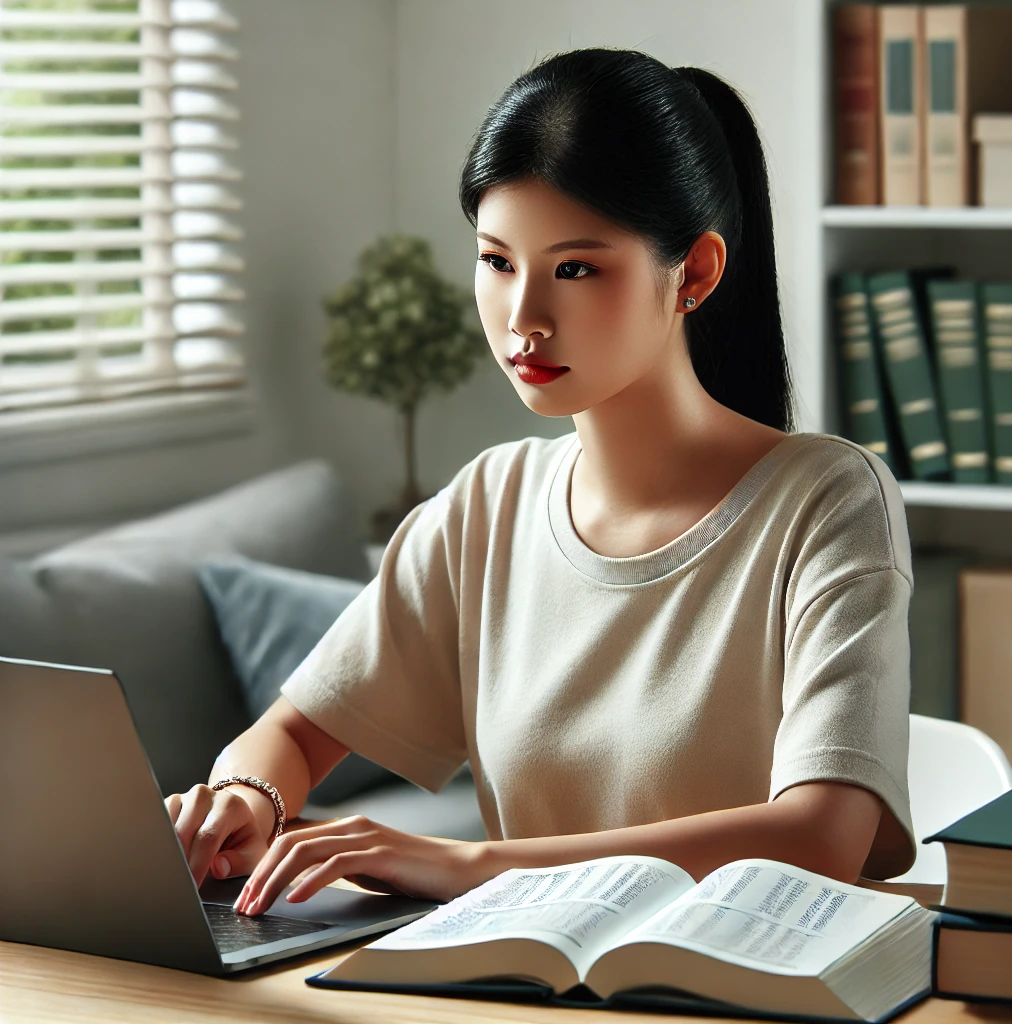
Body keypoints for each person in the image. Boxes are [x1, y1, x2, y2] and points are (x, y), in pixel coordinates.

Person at [167, 47, 917, 919]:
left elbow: (822, 837)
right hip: (522, 989)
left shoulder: (828, 502)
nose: (523, 319)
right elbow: (293, 732)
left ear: (697, 275)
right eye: (497, 261)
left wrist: (471, 864)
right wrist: (247, 798)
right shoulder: (488, 507)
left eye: (575, 269)